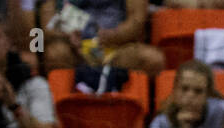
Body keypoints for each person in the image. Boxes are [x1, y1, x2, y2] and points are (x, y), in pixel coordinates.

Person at [35, 0, 165, 75]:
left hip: (116, 47)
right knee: (55, 54)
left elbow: (137, 19)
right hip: (73, 49)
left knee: (153, 59)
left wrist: (115, 35)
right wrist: (67, 35)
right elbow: (47, 24)